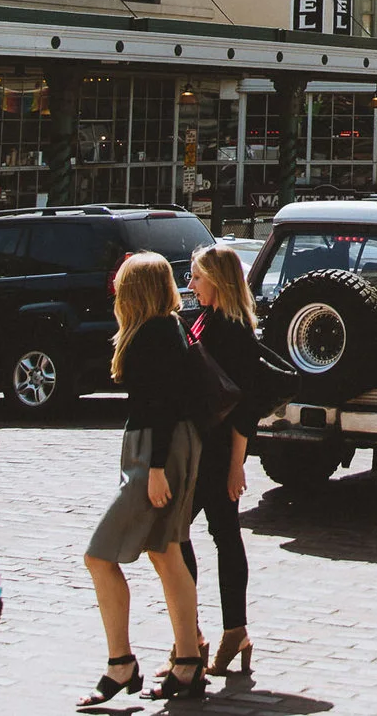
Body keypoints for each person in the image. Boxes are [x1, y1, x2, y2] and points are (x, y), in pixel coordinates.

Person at [81, 253, 207, 705]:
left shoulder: (155, 331)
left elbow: (162, 404)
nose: (114, 288)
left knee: (100, 556)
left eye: (122, 282)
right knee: (165, 551)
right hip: (163, 446)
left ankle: (122, 663)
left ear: (137, 288)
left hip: (158, 450)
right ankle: (188, 663)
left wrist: (154, 469)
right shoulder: (164, 327)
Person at [181, 243, 262, 676]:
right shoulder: (207, 319)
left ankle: (199, 636)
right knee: (219, 535)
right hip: (199, 446)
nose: (191, 286)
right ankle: (220, 632)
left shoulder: (232, 329)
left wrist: (236, 464)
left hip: (214, 452)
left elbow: (243, 408)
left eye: (197, 277)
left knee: (183, 536)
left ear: (218, 279)